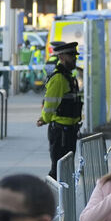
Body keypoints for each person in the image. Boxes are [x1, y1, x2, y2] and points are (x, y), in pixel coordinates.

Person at [38, 41, 83, 178]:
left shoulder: (68, 76)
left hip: (69, 129)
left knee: (65, 169)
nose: (74, 58)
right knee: (58, 170)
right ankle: (49, 197)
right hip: (60, 131)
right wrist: (44, 119)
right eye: (71, 56)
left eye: (75, 55)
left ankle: (61, 198)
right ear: (62, 57)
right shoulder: (58, 78)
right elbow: (50, 103)